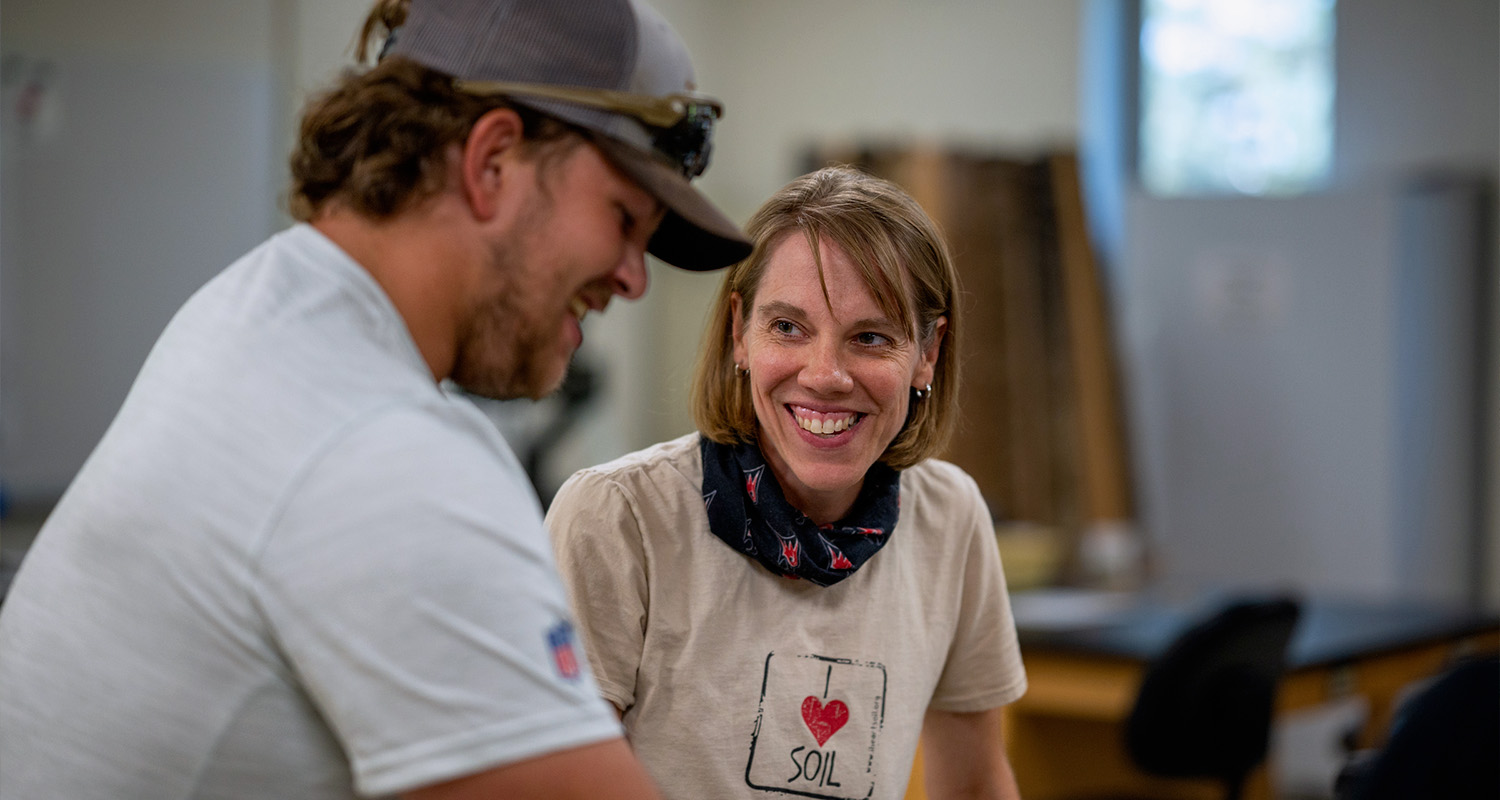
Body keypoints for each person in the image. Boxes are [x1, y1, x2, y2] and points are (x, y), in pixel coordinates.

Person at [0, 0, 749, 797]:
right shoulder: (385, 453)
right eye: (623, 219)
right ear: (493, 160)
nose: (634, 277)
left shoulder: (256, 306)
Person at [547, 166, 1028, 800]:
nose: (826, 374)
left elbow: (975, 784)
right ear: (739, 332)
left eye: (871, 337)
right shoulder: (617, 519)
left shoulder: (950, 518)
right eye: (788, 328)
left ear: (928, 353)